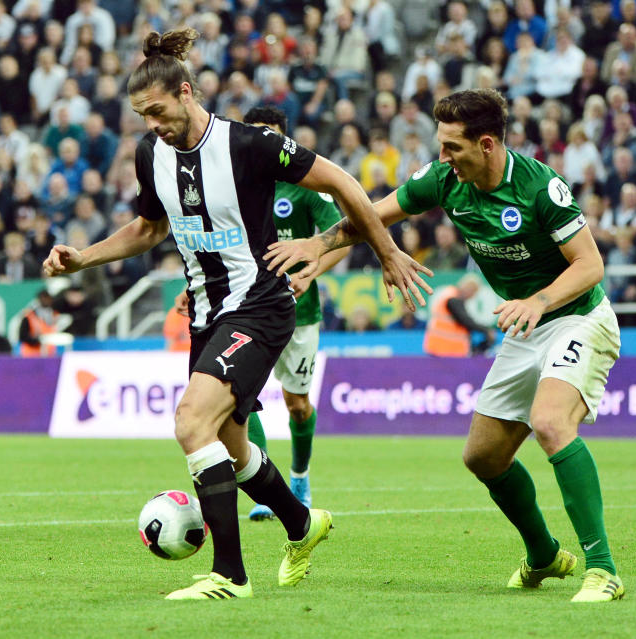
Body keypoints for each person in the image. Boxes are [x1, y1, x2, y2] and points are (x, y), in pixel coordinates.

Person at [43, 28, 430, 601]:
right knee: (230, 445)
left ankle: (229, 575)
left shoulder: (249, 145)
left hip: (261, 304)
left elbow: (343, 182)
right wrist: (86, 257)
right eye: (141, 115)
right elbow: (149, 229)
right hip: (206, 314)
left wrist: (387, 250)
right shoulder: (151, 153)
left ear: (186, 91)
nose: (151, 124)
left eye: (157, 110)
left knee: (190, 424)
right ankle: (302, 524)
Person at [267, 88, 625, 603]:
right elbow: (373, 215)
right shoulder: (443, 180)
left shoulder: (541, 186)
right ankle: (544, 555)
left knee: (550, 423)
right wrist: (318, 243)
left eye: (452, 147)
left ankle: (603, 569)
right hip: (527, 324)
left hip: (577, 316)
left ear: (486, 144)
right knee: (482, 457)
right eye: (440, 146)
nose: (442, 158)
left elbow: (590, 265)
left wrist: (539, 301)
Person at [201, 105, 350, 521]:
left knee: (297, 403)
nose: (261, 144)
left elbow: (343, 237)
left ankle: (300, 476)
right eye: (254, 134)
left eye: (270, 134)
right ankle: (268, 489)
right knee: (239, 403)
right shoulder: (232, 187)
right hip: (245, 312)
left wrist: (311, 271)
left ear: (285, 140)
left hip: (299, 313)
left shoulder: (304, 190)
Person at [423, 273, 497, 357]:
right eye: (473, 292)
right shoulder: (453, 299)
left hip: (443, 349)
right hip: (445, 351)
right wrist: (486, 330)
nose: (472, 296)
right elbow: (465, 320)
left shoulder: (448, 295)